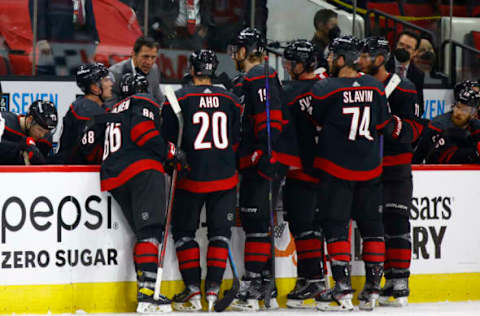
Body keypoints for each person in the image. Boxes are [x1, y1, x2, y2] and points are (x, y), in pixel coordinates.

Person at [308, 35, 422, 311]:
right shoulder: (374, 86)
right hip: (371, 169)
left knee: (336, 228)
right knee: (373, 230)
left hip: (336, 168)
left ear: (342, 58)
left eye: (334, 55)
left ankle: (343, 291)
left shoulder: (324, 87)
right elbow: (383, 122)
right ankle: (371, 291)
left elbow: (316, 119)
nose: (330, 59)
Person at [100, 72, 188, 313]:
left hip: (114, 177)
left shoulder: (114, 108)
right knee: (150, 232)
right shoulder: (144, 101)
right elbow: (143, 133)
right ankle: (147, 296)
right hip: (141, 171)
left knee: (143, 233)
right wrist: (170, 151)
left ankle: (146, 291)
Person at [161, 49, 241, 312]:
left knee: (185, 234)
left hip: (190, 177)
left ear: (193, 70)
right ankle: (214, 290)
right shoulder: (231, 99)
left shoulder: (177, 98)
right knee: (221, 234)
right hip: (225, 177)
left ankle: (193, 291)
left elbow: (170, 140)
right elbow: (235, 138)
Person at [228, 27, 300, 311]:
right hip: (257, 159)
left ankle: (254, 284)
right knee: (255, 221)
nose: (234, 54)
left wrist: (267, 152)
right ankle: (265, 283)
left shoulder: (260, 74)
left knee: (256, 221)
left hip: (264, 159)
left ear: (247, 50)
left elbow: (271, 119)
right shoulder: (249, 78)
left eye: (237, 49)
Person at [358, 36, 421, 307]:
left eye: (366, 56)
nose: (360, 60)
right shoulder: (361, 88)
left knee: (397, 221)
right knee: (376, 226)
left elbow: (414, 130)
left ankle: (401, 282)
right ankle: (386, 280)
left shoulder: (404, 88)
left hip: (395, 168)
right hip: (369, 168)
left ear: (381, 59)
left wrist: (389, 124)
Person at [281, 39, 328, 309]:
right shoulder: (327, 87)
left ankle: (314, 279)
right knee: (314, 226)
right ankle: (309, 277)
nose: (289, 67)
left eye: (293, 62)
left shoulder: (291, 92)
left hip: (302, 168)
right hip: (328, 168)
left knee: (303, 225)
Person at [55, 63, 112, 164]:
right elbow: (89, 154)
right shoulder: (87, 111)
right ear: (95, 87)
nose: (111, 83)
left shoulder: (86, 106)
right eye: (106, 80)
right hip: (75, 172)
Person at [413, 81, 480, 164]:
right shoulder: (438, 125)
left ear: (474, 114)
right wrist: (474, 152)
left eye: (465, 110)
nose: (459, 112)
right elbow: (434, 158)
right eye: (458, 107)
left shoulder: (477, 127)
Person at [29, 0, 99, 76]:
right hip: (54, 40)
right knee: (53, 77)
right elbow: (38, 13)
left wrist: (94, 39)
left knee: (79, 78)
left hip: (81, 42)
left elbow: (89, 14)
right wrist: (41, 39)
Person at [138, 0, 215, 50]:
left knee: (197, 58)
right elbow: (160, 11)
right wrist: (165, 28)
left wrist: (205, 27)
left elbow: (206, 8)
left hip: (196, 33)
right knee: (173, 57)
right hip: (175, 32)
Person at [108, 36, 164, 106]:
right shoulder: (115, 73)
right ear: (133, 54)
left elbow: (159, 99)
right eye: (145, 57)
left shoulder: (154, 69)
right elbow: (110, 105)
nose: (149, 62)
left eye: (153, 57)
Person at [0, 100, 57, 164]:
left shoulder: (45, 140)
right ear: (29, 120)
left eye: (46, 132)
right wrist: (22, 147)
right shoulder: (4, 124)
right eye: (40, 130)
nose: (42, 135)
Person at [386, 30, 425, 117]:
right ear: (396, 45)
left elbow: (419, 106)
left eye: (408, 47)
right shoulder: (384, 66)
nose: (403, 49)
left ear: (415, 52)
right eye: (401, 44)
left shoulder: (418, 74)